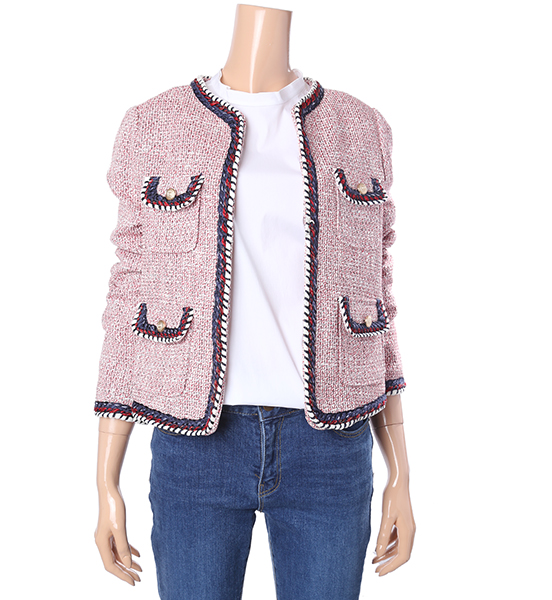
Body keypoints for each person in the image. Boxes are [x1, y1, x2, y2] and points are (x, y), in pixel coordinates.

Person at [94, 4, 415, 599]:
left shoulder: (360, 127)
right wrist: (105, 481)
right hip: (196, 445)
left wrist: (401, 470)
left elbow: (376, 294)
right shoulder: (154, 124)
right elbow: (130, 291)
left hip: (330, 446)